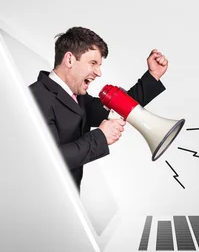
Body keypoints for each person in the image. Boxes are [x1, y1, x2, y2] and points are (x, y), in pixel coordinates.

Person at [29, 27, 168, 190]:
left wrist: (153, 76)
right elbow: (51, 158)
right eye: (93, 63)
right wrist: (100, 137)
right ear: (69, 60)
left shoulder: (78, 98)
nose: (99, 72)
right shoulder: (36, 97)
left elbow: (122, 107)